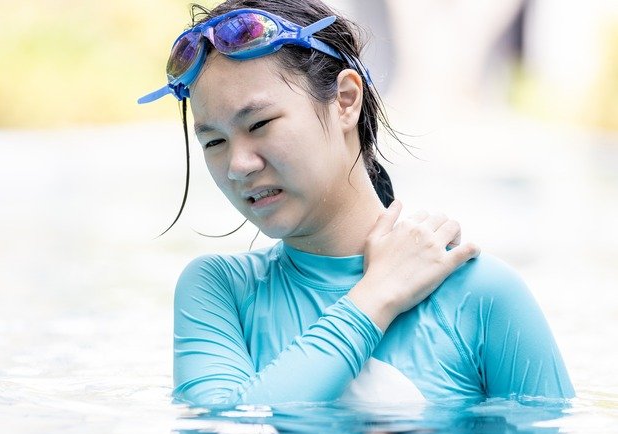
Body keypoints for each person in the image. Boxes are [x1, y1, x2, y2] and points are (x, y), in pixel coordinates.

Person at [138, 0, 574, 406]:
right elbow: (222, 427)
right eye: (213, 141)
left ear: (345, 100)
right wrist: (376, 294)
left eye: (260, 123)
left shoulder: (480, 295)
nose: (238, 165)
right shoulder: (220, 292)